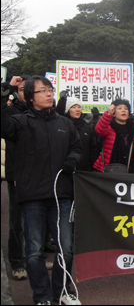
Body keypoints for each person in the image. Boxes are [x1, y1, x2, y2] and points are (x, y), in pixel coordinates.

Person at [1, 75, 83, 305]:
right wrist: (6, 90)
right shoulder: (19, 122)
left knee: (65, 248)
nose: (49, 94)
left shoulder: (64, 123)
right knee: (35, 251)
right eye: (42, 91)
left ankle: (62, 292)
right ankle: (42, 297)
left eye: (50, 89)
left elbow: (77, 147)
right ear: (30, 97)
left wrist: (72, 160)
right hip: (32, 197)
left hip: (62, 196)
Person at [1, 75, 30, 281]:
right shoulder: (10, 113)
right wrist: (6, 87)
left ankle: (34, 257)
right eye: (21, 89)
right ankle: (17, 262)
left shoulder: (44, 113)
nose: (26, 93)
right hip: (17, 174)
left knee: (38, 219)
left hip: (40, 175)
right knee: (16, 221)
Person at [93, 99, 134, 173]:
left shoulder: (133, 129)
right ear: (114, 113)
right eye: (120, 108)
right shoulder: (109, 126)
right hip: (109, 170)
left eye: (126, 108)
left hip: (129, 171)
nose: (123, 111)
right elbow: (99, 130)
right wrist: (108, 114)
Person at [55, 95, 100, 172]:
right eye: (73, 107)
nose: (77, 110)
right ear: (68, 110)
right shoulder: (63, 126)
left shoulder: (86, 126)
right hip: (67, 168)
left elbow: (92, 147)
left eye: (79, 107)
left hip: (84, 169)